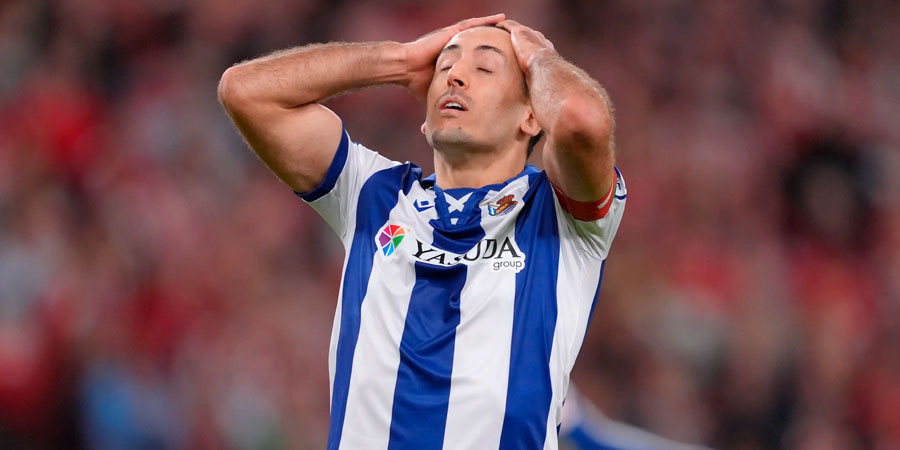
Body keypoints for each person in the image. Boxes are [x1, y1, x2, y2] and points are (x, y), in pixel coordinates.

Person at [218, 13, 626, 450]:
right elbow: (245, 92)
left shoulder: (560, 214)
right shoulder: (371, 192)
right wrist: (399, 60)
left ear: (531, 116)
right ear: (425, 121)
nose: (455, 77)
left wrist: (539, 57)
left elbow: (581, 119)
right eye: (444, 67)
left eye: (485, 68)